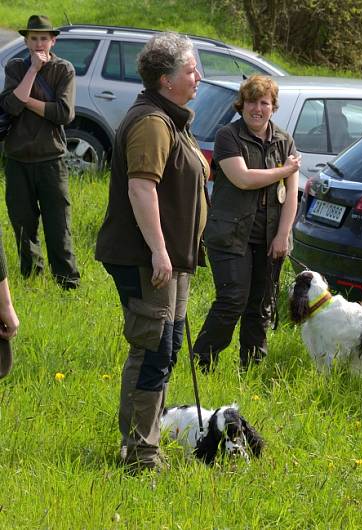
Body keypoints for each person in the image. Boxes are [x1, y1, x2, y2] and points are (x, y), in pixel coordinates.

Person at [95, 32, 208, 472]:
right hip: (148, 261)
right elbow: (141, 188)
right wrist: (160, 251)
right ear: (166, 80)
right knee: (152, 351)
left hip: (170, 262)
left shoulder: (171, 118)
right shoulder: (152, 122)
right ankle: (140, 453)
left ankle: (144, 440)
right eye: (191, 69)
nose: (198, 76)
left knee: (168, 347)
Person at [192, 75, 300, 371]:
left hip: (269, 238)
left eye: (264, 102)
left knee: (261, 305)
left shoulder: (284, 140)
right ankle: (202, 362)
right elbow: (242, 178)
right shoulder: (228, 135)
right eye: (251, 102)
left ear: (273, 107)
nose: (257, 108)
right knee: (232, 300)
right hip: (229, 235)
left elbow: (293, 193)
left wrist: (283, 235)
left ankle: (250, 368)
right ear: (242, 105)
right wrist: (285, 170)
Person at [0, 15, 80, 290]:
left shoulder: (63, 70)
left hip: (51, 160)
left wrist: (26, 101)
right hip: (17, 159)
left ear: (53, 40)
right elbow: (10, 107)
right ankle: (32, 279)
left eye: (43, 38)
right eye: (33, 38)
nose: (38, 43)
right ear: (25, 40)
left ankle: (67, 282)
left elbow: (63, 113)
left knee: (59, 225)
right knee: (23, 225)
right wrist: (32, 71)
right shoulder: (15, 67)